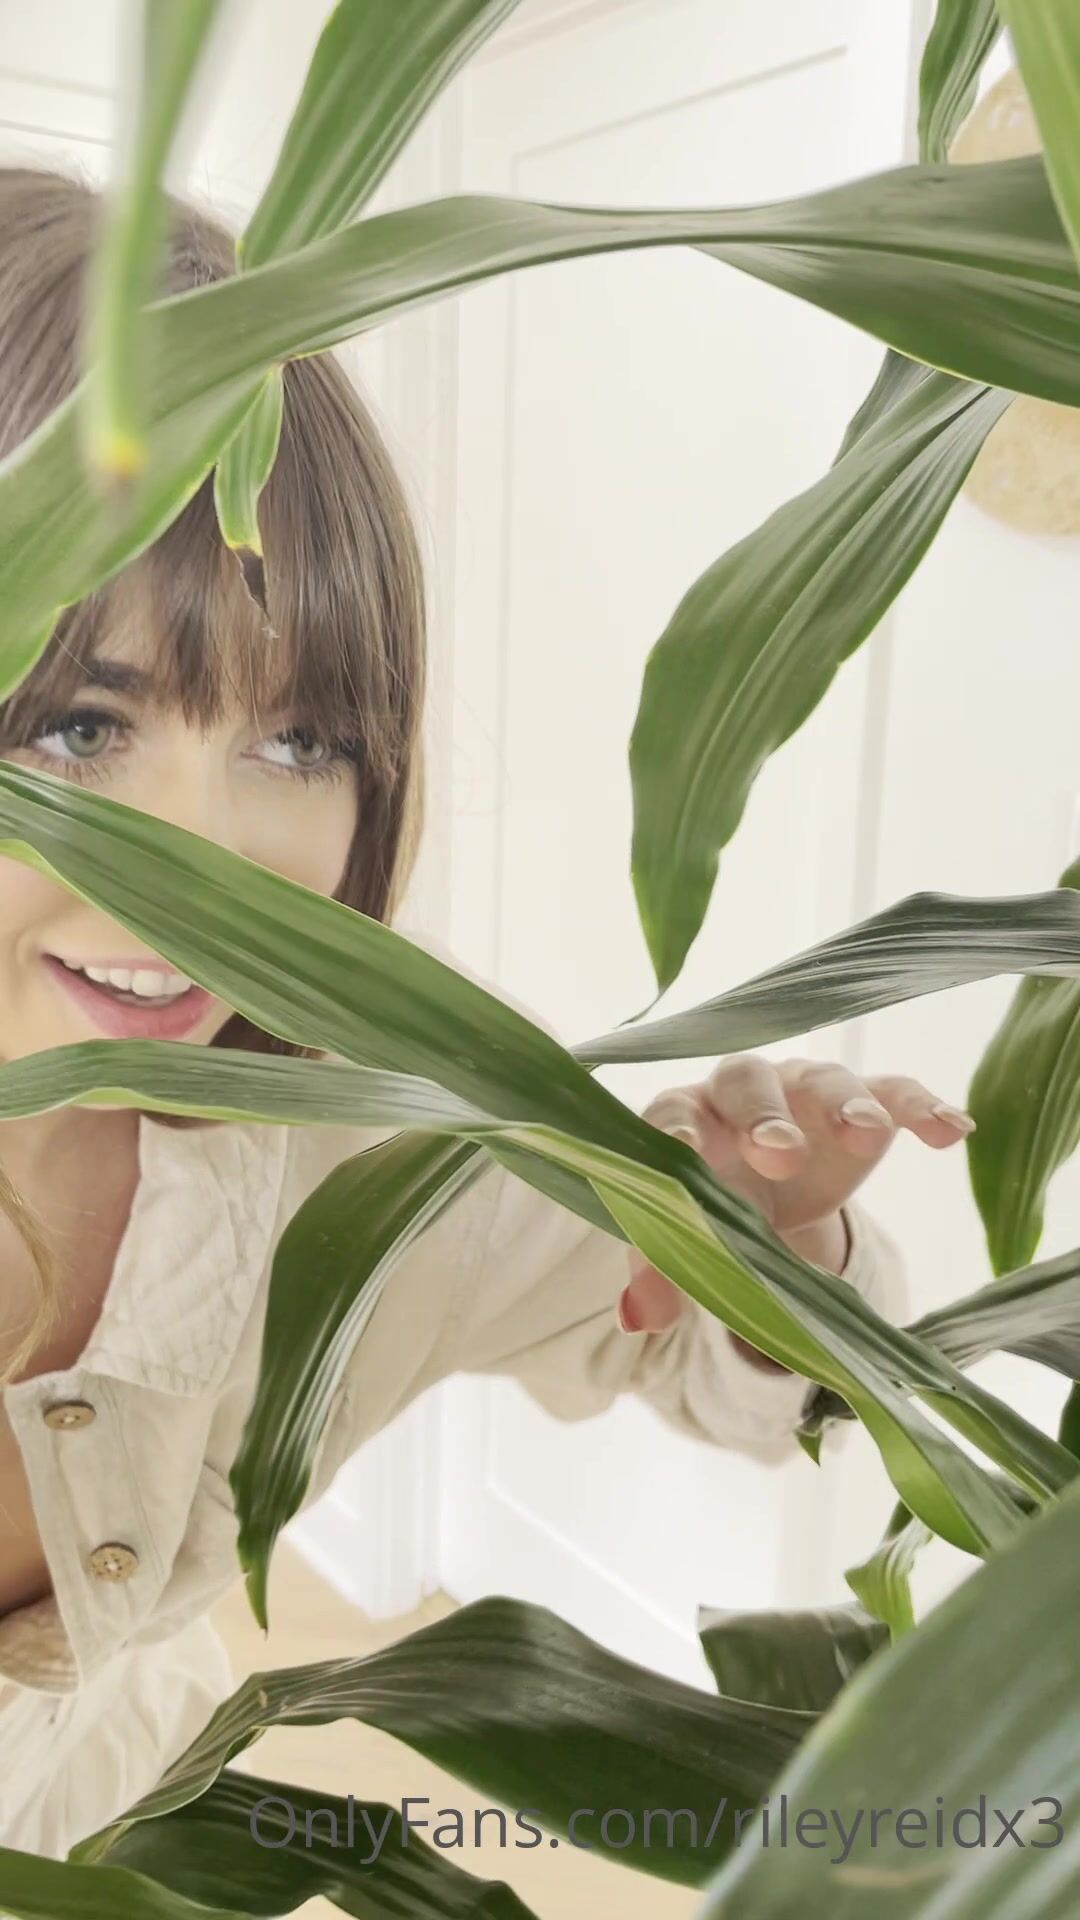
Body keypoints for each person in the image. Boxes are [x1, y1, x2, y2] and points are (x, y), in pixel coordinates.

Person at [0, 166, 972, 1861]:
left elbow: (727, 1358)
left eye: (297, 742)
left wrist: (765, 1246)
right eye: (83, 728)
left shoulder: (364, 1143)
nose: (204, 863)